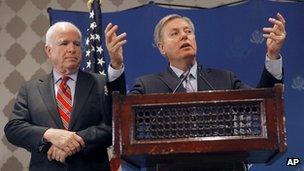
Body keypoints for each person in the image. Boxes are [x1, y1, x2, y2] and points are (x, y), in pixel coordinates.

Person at [105, 13, 286, 170]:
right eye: (175, 33)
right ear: (161, 47)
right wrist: (116, 64)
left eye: (188, 32)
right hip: (167, 168)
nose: (184, 36)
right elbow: (120, 117)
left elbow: (263, 105)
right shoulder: (147, 85)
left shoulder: (225, 79)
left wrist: (272, 55)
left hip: (226, 167)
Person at [4, 22, 125, 171]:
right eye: (64, 43)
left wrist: (73, 141)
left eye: (77, 44)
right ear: (49, 50)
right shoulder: (30, 89)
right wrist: (50, 135)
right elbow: (14, 129)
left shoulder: (100, 83)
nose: (72, 49)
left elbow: (115, 125)